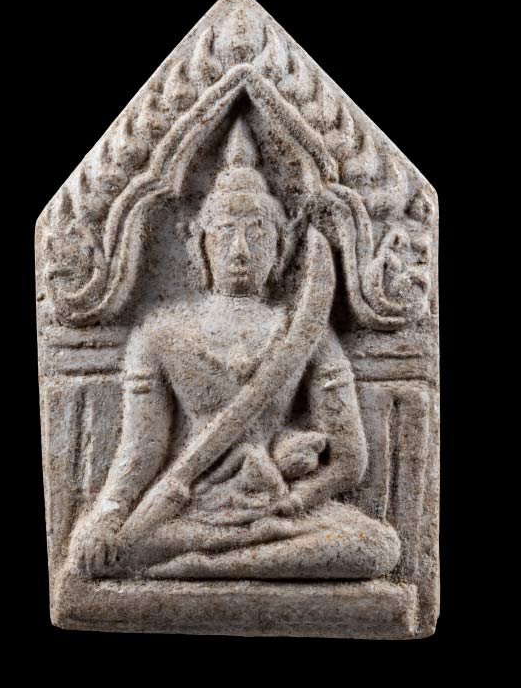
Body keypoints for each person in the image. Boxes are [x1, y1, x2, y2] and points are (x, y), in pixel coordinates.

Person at [68, 119, 401, 580]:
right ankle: (208, 559)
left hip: (276, 509)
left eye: (257, 233)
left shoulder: (306, 332)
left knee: (375, 546)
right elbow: (141, 449)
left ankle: (203, 566)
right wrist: (107, 516)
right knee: (125, 545)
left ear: (281, 246)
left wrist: (294, 499)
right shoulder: (160, 333)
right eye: (225, 232)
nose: (240, 250)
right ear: (198, 244)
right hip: (189, 507)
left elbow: (350, 459)